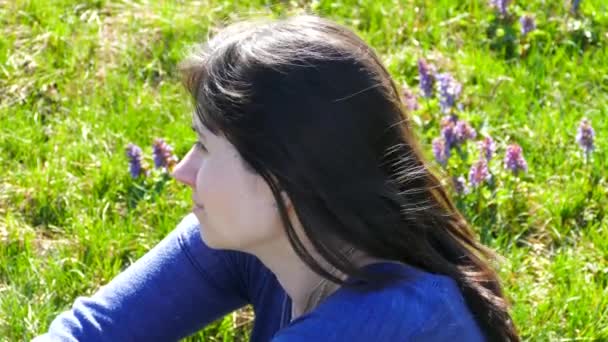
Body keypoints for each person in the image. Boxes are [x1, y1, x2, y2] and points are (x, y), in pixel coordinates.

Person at [34, 14, 520, 342]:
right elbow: (91, 332)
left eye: (204, 146)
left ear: (283, 180)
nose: (182, 170)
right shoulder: (280, 240)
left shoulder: (386, 322)